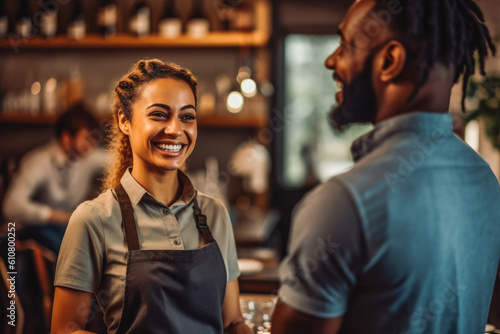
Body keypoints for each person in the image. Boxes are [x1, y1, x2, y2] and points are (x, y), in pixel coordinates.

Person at [272, 0, 500, 333]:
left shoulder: (345, 201)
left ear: (390, 61)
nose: (331, 60)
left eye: (347, 46)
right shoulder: (483, 179)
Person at [51, 59, 253, 334]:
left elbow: (232, 321)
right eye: (159, 114)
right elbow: (65, 330)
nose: (175, 129)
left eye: (187, 116)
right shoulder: (93, 219)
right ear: (124, 120)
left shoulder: (214, 213)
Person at [2, 104, 107, 254]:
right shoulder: (38, 162)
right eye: (86, 138)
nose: (91, 145)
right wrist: (61, 217)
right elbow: (11, 206)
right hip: (41, 231)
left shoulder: (89, 157)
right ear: (66, 138)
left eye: (93, 139)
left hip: (70, 227)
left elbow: (117, 160)